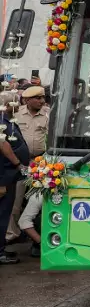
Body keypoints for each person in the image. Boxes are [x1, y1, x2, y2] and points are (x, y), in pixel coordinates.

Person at [7, 86, 49, 251]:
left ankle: (36, 241)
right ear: (27, 100)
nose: (41, 101)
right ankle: (11, 235)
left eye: (43, 97)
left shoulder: (48, 114)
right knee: (16, 201)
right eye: (37, 98)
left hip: (41, 163)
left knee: (39, 201)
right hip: (19, 163)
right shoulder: (16, 114)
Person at [0, 105, 31, 264]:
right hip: (3, 176)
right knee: (2, 214)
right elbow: (2, 145)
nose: (17, 103)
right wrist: (18, 164)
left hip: (8, 175)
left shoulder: (5, 118)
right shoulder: (1, 120)